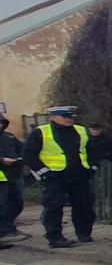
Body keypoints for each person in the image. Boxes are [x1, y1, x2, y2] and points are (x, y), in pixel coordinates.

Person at [26, 106, 96, 248]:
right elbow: (29, 154)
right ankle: (55, 236)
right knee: (53, 206)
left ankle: (84, 233)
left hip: (79, 175)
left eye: (71, 117)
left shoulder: (81, 130)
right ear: (53, 117)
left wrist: (92, 166)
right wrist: (43, 172)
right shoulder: (41, 132)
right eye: (65, 116)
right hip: (54, 177)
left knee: (84, 204)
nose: (69, 119)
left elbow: (93, 150)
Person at [0, 116, 26, 245]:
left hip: (14, 174)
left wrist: (21, 159)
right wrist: (2, 160)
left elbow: (22, 148)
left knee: (16, 203)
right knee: (2, 205)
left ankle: (10, 228)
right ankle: (3, 232)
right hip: (2, 176)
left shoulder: (9, 136)